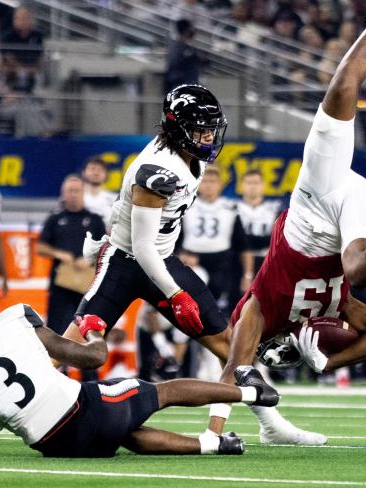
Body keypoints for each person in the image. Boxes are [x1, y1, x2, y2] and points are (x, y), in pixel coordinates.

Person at [206, 0, 366, 445]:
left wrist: (214, 434)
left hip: (313, 200)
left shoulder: (259, 310)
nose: (271, 350)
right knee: (354, 270)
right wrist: (324, 362)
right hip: (342, 223)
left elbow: (233, 367)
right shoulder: (322, 311)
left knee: (340, 93)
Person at [64, 84, 306, 444]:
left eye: (211, 128)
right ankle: (12, 396)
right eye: (200, 129)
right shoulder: (157, 170)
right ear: (177, 129)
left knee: (228, 343)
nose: (208, 137)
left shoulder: (191, 156)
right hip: (128, 262)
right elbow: (143, 248)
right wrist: (177, 294)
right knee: (74, 345)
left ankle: (270, 423)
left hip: (161, 258)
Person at [0, 271, 278, 458]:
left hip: (56, 446)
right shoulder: (15, 318)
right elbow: (93, 357)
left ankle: (215, 444)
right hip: (88, 409)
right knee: (162, 391)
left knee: (124, 432)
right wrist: (94, 328)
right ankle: (249, 390)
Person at [36, 175, 106, 335]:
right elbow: (40, 247)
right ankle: (55, 360)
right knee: (56, 329)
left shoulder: (95, 220)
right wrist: (59, 253)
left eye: (77, 190)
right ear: (63, 193)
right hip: (61, 284)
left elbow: (106, 246)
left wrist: (89, 259)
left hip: (87, 285)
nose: (73, 194)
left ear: (83, 193)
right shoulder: (55, 218)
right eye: (70, 190)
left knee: (86, 329)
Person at [179, 165, 252, 316]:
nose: (209, 185)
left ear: (220, 184)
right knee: (190, 307)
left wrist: (247, 275)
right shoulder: (186, 205)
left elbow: (243, 247)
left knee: (219, 310)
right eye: (205, 181)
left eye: (213, 181)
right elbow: (172, 239)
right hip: (192, 260)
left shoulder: (231, 208)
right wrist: (180, 255)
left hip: (222, 264)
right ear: (199, 184)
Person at [236, 169, 281, 276]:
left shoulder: (275, 210)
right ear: (241, 186)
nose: (252, 187)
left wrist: (246, 240)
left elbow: (276, 240)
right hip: (238, 261)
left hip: (265, 260)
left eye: (256, 183)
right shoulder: (232, 209)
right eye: (248, 183)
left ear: (263, 186)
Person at [165, 19, 201, 91]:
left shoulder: (189, 47)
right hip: (180, 85)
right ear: (186, 30)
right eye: (190, 28)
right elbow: (174, 64)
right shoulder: (176, 47)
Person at [81, 157, 116, 228]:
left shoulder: (115, 199)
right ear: (83, 173)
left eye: (100, 170)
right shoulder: (76, 198)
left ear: (106, 175)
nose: (96, 173)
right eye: (92, 169)